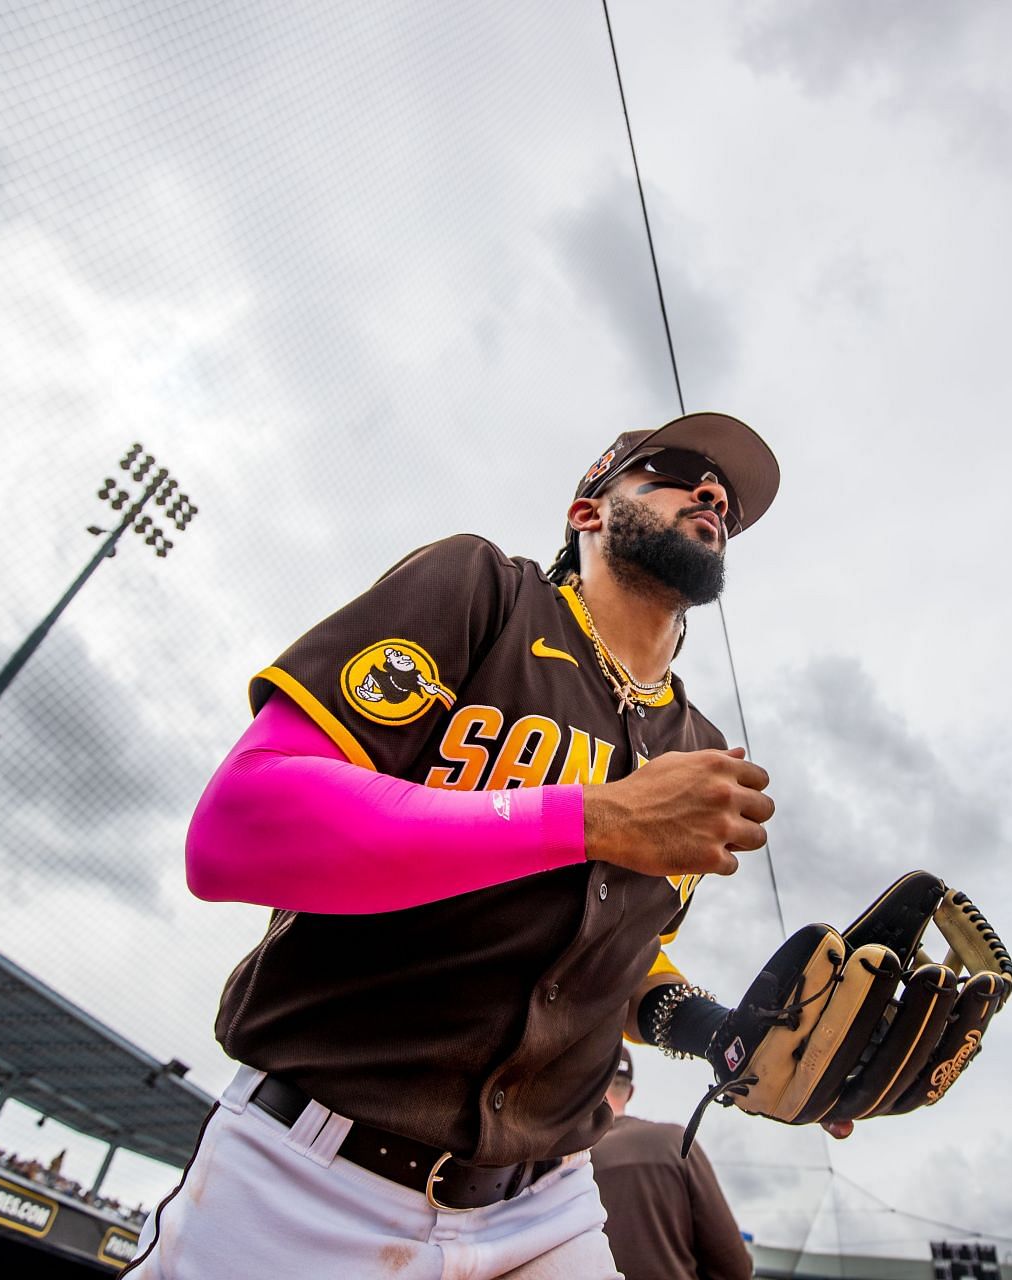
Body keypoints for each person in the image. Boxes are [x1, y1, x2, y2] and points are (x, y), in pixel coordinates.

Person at [125, 413, 783, 1279]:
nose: (713, 494)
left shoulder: (699, 747)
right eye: (679, 471)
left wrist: (722, 1035)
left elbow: (619, 958)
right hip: (313, 1175)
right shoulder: (486, 594)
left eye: (727, 500)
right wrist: (586, 818)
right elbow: (239, 825)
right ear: (588, 509)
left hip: (550, 1205)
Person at [592, 1044, 752, 1280]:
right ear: (630, 1091)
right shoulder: (677, 1143)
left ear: (588, 1089)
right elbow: (735, 1267)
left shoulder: (562, 1163)